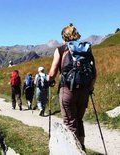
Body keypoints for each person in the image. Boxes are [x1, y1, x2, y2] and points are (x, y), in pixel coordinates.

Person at [47, 23, 97, 151]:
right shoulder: (85, 49)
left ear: (64, 36)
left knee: (70, 123)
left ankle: (73, 151)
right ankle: (82, 149)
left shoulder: (61, 50)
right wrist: (90, 88)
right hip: (84, 90)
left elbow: (52, 73)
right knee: (78, 120)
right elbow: (94, 73)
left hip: (67, 90)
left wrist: (48, 79)